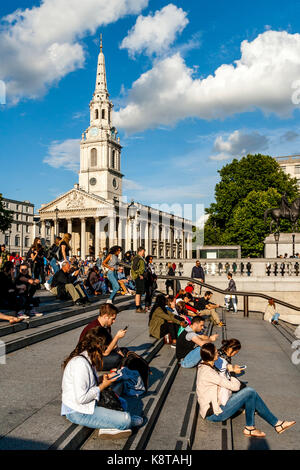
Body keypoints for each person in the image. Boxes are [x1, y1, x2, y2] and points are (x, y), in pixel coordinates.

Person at [196, 342, 296, 438]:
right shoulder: (209, 373)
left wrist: (228, 369)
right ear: (212, 356)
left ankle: (257, 426)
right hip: (215, 414)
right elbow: (235, 386)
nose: (218, 352)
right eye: (216, 352)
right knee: (250, 392)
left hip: (215, 405)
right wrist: (232, 373)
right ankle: (273, 424)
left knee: (250, 394)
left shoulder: (205, 365)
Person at [61, 328, 143, 439]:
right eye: (106, 348)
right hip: (77, 411)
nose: (107, 352)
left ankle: (109, 423)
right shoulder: (80, 364)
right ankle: (111, 425)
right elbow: (81, 399)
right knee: (126, 420)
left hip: (87, 404)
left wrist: (101, 379)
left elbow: (87, 384)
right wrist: (103, 386)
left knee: (123, 403)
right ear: (99, 347)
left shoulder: (88, 358)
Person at [79, 304, 128, 370]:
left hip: (99, 353)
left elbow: (112, 345)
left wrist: (121, 354)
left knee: (125, 351)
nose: (114, 321)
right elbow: (105, 353)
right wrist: (117, 337)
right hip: (91, 359)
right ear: (105, 316)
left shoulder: (106, 326)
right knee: (117, 358)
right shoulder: (95, 328)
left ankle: (124, 363)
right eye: (112, 319)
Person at [131, 247, 146, 313]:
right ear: (140, 251)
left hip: (140, 276)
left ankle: (139, 306)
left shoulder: (140, 258)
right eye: (143, 251)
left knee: (139, 292)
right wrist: (139, 274)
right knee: (138, 291)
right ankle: (137, 307)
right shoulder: (137, 258)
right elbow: (134, 267)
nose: (144, 253)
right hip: (138, 276)